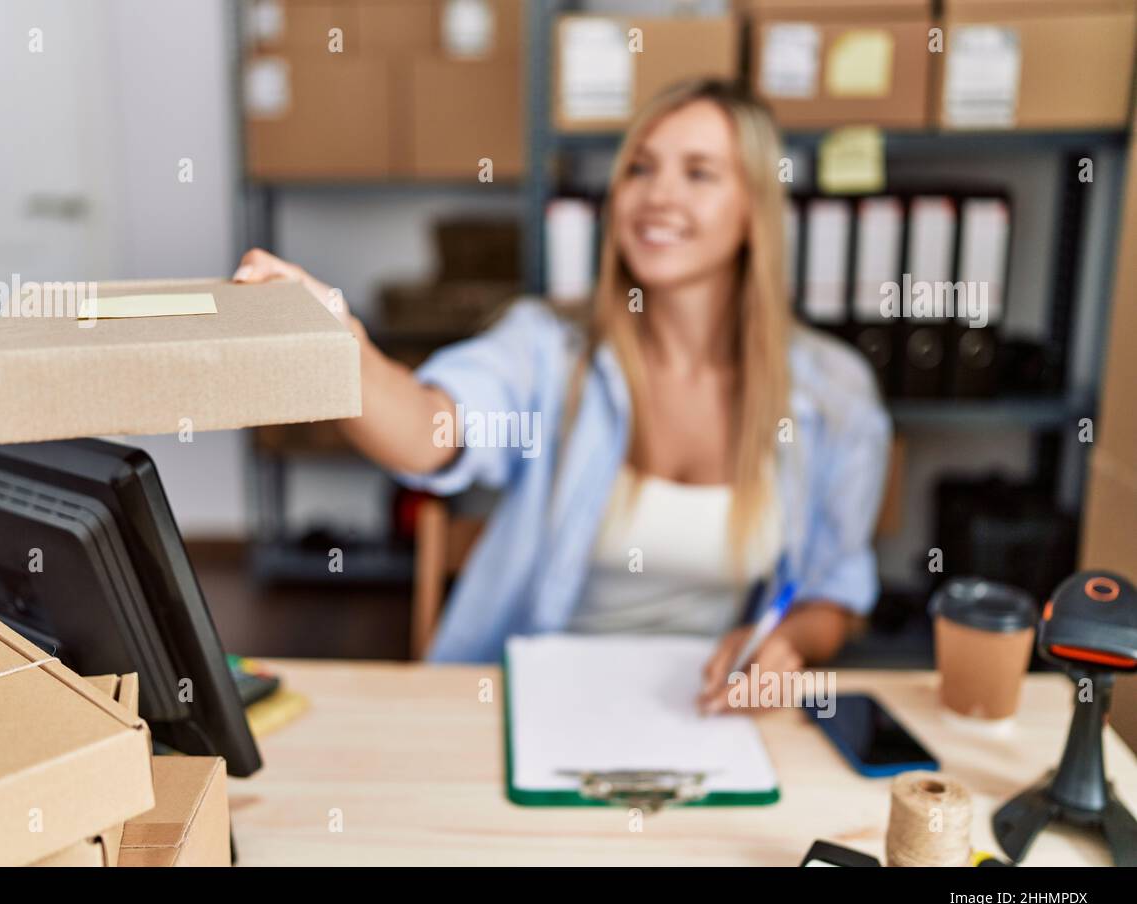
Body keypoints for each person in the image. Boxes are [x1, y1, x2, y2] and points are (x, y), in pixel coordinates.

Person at [232, 78, 891, 713]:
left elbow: (834, 592)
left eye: (699, 173)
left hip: (704, 712)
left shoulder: (832, 393)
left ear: (755, 209)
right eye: (639, 169)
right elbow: (432, 432)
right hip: (531, 705)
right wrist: (343, 347)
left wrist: (785, 644)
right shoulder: (548, 349)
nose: (657, 196)